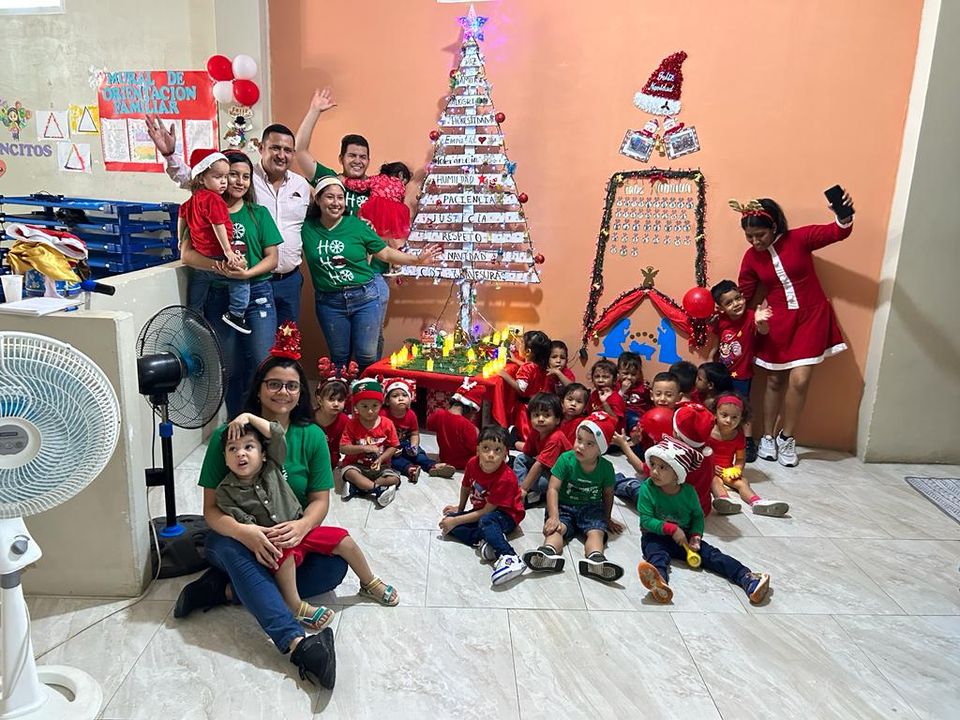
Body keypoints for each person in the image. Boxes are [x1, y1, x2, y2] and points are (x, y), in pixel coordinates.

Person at [174, 330, 343, 689]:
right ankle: (298, 644)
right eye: (274, 384)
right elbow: (211, 510)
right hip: (231, 538)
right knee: (236, 554)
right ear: (259, 388)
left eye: (292, 386)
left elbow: (320, 500)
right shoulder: (229, 435)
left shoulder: (311, 435)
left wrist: (301, 527)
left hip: (286, 539)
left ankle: (222, 591)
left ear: (301, 392)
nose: (283, 392)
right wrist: (245, 533)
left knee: (334, 568)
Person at [217, 413, 398, 631]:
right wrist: (261, 534)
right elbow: (242, 523)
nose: (241, 454)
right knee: (282, 559)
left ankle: (368, 582)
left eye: (249, 447)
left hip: (301, 528)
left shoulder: (272, 465)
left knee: (344, 539)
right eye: (232, 449)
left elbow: (276, 434)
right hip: (275, 542)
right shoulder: (225, 491)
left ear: (263, 454)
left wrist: (247, 417)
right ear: (225, 459)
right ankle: (295, 606)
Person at [146, 115, 311, 326]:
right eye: (275, 148)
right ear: (261, 148)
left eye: (287, 150)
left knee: (288, 340)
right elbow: (197, 179)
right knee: (238, 339)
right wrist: (170, 155)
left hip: (288, 281)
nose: (281, 155)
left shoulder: (301, 185)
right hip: (244, 278)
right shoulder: (243, 174)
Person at [733, 194, 855, 467]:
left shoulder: (799, 238)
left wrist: (843, 214)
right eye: (749, 236)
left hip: (811, 318)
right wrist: (734, 315)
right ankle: (767, 437)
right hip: (778, 321)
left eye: (760, 235)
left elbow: (837, 232)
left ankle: (787, 437)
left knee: (800, 380)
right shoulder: (751, 258)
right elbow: (744, 293)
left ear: (774, 226)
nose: (755, 241)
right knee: (775, 380)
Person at [295, 88, 411, 359]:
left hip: (374, 277)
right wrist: (314, 111)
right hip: (335, 282)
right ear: (341, 158)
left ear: (369, 160)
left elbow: (393, 230)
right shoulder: (330, 183)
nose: (357, 161)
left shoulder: (379, 189)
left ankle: (368, 385)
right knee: (341, 353)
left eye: (363, 156)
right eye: (352, 155)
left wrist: (398, 257)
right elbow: (300, 151)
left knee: (370, 347)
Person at [177, 150, 282, 417]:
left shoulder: (258, 213)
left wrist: (246, 274)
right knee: (229, 366)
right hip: (219, 296)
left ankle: (261, 422)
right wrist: (222, 268)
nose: (238, 181)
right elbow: (187, 255)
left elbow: (272, 258)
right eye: (232, 174)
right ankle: (237, 421)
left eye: (246, 177)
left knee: (262, 363)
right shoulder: (201, 207)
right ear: (213, 176)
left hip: (257, 294)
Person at [302, 176, 440, 371]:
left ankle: (368, 390)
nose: (336, 203)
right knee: (339, 358)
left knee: (366, 355)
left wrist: (417, 259)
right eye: (330, 197)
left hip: (365, 297)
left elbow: (385, 253)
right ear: (318, 200)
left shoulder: (357, 225)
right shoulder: (306, 227)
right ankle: (343, 391)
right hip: (329, 302)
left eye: (340, 198)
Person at [636, 436, 771, 605]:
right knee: (656, 555)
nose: (654, 471)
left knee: (713, 556)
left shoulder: (688, 492)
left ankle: (747, 578)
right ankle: (660, 582)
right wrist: (672, 529)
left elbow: (697, 516)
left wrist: (695, 536)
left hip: (685, 536)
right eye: (653, 464)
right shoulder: (647, 489)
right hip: (654, 536)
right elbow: (646, 520)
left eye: (662, 467)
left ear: (677, 473)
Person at [522, 412, 626, 582]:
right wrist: (554, 516)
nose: (580, 446)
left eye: (589, 443)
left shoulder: (606, 468)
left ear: (601, 449)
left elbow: (608, 494)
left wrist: (607, 518)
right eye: (579, 439)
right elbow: (553, 488)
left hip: (591, 508)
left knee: (596, 532)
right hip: (564, 506)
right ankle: (547, 554)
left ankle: (595, 560)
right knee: (556, 530)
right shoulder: (565, 459)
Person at [440, 426, 527, 586]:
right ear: (478, 449)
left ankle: (510, 557)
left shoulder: (505, 477)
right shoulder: (472, 463)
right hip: (482, 510)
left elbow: (487, 511)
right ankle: (488, 541)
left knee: (484, 520)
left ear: (505, 454)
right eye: (486, 448)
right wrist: (459, 510)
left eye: (497, 450)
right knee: (449, 524)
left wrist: (457, 520)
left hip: (507, 515)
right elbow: (466, 486)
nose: (491, 454)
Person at [178, 148, 250, 333]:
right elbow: (218, 224)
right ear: (202, 178)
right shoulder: (214, 199)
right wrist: (228, 251)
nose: (224, 181)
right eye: (218, 177)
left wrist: (179, 238)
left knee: (199, 285)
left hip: (201, 255)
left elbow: (181, 216)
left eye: (225, 176)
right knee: (240, 279)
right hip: (218, 254)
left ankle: (193, 314)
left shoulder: (194, 199)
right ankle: (236, 313)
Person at [710, 279, 773, 462]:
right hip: (722, 373)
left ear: (743, 296)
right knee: (719, 405)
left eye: (737, 298)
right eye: (729, 302)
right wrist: (710, 358)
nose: (736, 304)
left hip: (742, 374)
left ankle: (747, 441)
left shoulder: (752, 316)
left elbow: (763, 332)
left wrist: (761, 322)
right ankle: (717, 436)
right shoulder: (721, 321)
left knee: (742, 407)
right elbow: (717, 342)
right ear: (721, 308)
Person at [707, 394, 789, 517]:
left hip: (727, 471)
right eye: (724, 415)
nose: (729, 420)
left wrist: (737, 469)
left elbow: (740, 458)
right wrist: (711, 466)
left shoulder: (739, 436)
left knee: (742, 482)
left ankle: (757, 502)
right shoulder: (708, 431)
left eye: (734, 417)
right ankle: (724, 500)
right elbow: (701, 452)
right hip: (710, 470)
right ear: (715, 413)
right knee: (715, 482)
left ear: (741, 418)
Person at [339, 378, 402, 505]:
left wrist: (380, 459)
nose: (370, 411)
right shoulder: (351, 424)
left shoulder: (387, 423)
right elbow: (343, 448)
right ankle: (377, 490)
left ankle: (359, 488)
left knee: (395, 479)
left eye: (374, 406)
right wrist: (364, 448)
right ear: (356, 406)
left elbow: (393, 446)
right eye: (364, 406)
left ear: (381, 404)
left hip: (381, 468)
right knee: (348, 472)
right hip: (356, 465)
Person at [381, 378, 456, 482]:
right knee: (392, 460)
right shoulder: (383, 414)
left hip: (405, 443)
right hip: (388, 446)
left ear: (409, 399)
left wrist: (414, 447)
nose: (401, 398)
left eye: (404, 395)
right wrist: (389, 450)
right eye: (395, 396)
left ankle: (432, 466)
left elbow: (414, 433)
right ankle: (410, 469)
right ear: (387, 401)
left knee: (419, 454)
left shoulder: (411, 414)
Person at [514, 393, 571, 505]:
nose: (540, 419)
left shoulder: (556, 438)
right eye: (536, 415)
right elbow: (527, 453)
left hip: (562, 477)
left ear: (557, 420)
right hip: (548, 469)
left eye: (547, 415)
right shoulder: (536, 431)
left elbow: (539, 465)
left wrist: (524, 488)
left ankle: (526, 494)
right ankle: (519, 491)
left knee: (542, 483)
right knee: (520, 459)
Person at [497, 330, 552, 442]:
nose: (519, 344)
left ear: (528, 351)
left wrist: (504, 375)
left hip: (525, 408)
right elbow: (531, 368)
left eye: (522, 342)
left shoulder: (527, 368)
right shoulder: (539, 365)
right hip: (536, 403)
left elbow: (521, 388)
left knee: (524, 432)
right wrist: (516, 361)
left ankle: (523, 446)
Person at [342, 161, 413, 242]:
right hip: (394, 212)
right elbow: (401, 200)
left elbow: (361, 185)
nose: (404, 185)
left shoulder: (377, 179)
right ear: (400, 175)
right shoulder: (401, 186)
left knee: (371, 228)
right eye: (405, 182)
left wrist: (346, 181)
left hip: (377, 207)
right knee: (387, 233)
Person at [426, 378, 482, 470]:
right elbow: (475, 449)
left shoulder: (439, 414)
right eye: (473, 413)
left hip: (444, 458)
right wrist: (477, 433)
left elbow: (429, 425)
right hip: (465, 463)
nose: (473, 417)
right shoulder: (467, 425)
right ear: (469, 409)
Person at [313, 357, 357, 472]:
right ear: (320, 400)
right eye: (331, 399)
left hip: (331, 460)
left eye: (340, 400)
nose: (336, 404)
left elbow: (349, 444)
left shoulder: (345, 421)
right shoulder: (309, 418)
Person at [587, 359, 626, 432]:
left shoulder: (616, 398)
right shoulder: (594, 394)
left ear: (614, 380)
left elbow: (615, 420)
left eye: (605, 377)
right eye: (597, 376)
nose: (600, 380)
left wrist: (604, 403)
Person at [617, 351, 650, 436]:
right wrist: (622, 390)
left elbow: (649, 404)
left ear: (639, 374)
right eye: (625, 373)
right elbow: (614, 402)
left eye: (633, 374)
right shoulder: (615, 386)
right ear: (618, 372)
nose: (629, 377)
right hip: (619, 415)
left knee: (635, 419)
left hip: (637, 417)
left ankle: (635, 438)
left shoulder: (643, 388)